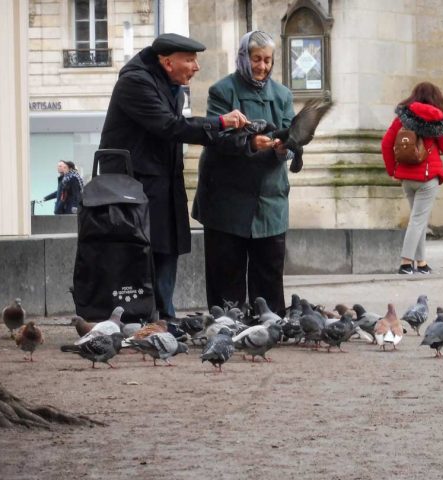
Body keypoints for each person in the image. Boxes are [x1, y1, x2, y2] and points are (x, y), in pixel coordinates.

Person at [98, 33, 250, 321]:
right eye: (190, 60)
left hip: (163, 180)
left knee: (167, 248)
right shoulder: (135, 82)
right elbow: (168, 126)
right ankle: (137, 317)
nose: (196, 67)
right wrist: (219, 122)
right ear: (168, 62)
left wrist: (239, 138)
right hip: (132, 184)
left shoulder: (173, 86)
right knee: (139, 252)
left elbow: (177, 130)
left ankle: (164, 315)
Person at [192, 30, 295, 317]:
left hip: (270, 199)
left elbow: (292, 135)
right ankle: (226, 325)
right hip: (227, 199)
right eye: (256, 59)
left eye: (267, 60)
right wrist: (249, 142)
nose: (262, 66)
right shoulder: (222, 91)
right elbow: (216, 136)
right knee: (227, 272)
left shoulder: (283, 95)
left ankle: (269, 327)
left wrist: (283, 147)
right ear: (243, 58)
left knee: (269, 274)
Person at [381, 82, 443, 275]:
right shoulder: (437, 119)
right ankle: (406, 263)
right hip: (427, 177)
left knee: (418, 220)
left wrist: (392, 170)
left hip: (406, 177)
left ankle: (421, 263)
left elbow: (386, 143)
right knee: (418, 220)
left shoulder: (404, 117)